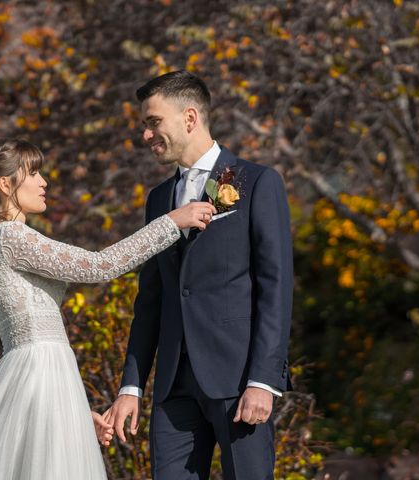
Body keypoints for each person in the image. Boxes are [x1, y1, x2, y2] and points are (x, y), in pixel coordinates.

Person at [0, 137, 216, 479]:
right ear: (5, 184)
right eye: (33, 174)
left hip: (41, 376)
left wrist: (73, 415)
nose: (44, 182)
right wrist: (171, 222)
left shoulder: (0, 238)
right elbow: (99, 266)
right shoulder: (9, 237)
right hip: (39, 368)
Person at [103, 70, 293, 480]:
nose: (146, 135)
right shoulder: (158, 200)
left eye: (153, 122)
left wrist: (264, 379)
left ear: (189, 118)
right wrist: (131, 386)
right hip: (174, 387)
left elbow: (275, 288)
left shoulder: (257, 182)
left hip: (239, 380)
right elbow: (151, 300)